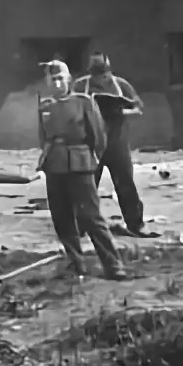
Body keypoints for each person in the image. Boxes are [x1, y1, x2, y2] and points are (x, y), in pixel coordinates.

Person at [38, 61, 129, 280]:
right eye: (53, 80)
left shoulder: (83, 102)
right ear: (48, 82)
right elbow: (43, 137)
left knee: (91, 217)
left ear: (68, 80)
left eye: (61, 78)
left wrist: (91, 159)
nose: (58, 83)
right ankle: (76, 263)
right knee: (61, 217)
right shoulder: (45, 106)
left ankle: (113, 264)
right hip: (55, 165)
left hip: (80, 164)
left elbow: (98, 136)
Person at [72, 52, 158, 238]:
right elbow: (71, 109)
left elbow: (138, 108)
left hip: (116, 143)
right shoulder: (81, 85)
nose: (101, 79)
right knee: (87, 185)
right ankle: (82, 225)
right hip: (91, 144)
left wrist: (120, 112)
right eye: (97, 75)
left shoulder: (121, 85)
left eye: (104, 74)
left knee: (125, 183)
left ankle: (135, 224)